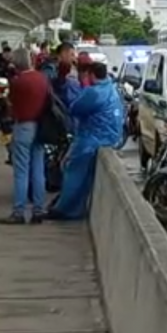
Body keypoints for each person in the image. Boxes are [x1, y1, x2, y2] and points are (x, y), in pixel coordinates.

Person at [47, 63, 123, 221]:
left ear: (92, 75)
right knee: (84, 176)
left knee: (73, 170)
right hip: (110, 137)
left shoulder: (94, 92)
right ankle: (74, 208)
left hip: (93, 137)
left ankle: (64, 209)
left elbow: (75, 108)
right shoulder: (111, 89)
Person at [0, 48, 50, 225]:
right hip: (40, 127)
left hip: (23, 126)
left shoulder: (17, 82)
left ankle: (19, 212)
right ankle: (39, 209)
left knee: (21, 171)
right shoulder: (42, 78)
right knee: (38, 169)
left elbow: (11, 103)